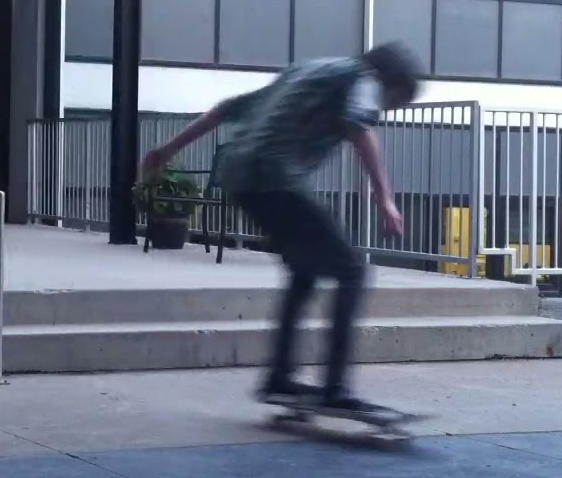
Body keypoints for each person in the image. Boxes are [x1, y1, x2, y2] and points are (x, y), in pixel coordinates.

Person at [139, 42, 423, 416]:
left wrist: (165, 152)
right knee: (352, 270)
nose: (387, 110)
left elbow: (224, 111)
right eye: (396, 101)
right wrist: (384, 196)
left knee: (303, 271)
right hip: (275, 178)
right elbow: (360, 128)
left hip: (241, 179)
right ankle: (335, 388)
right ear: (392, 82)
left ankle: (278, 378)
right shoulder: (364, 79)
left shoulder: (306, 69)